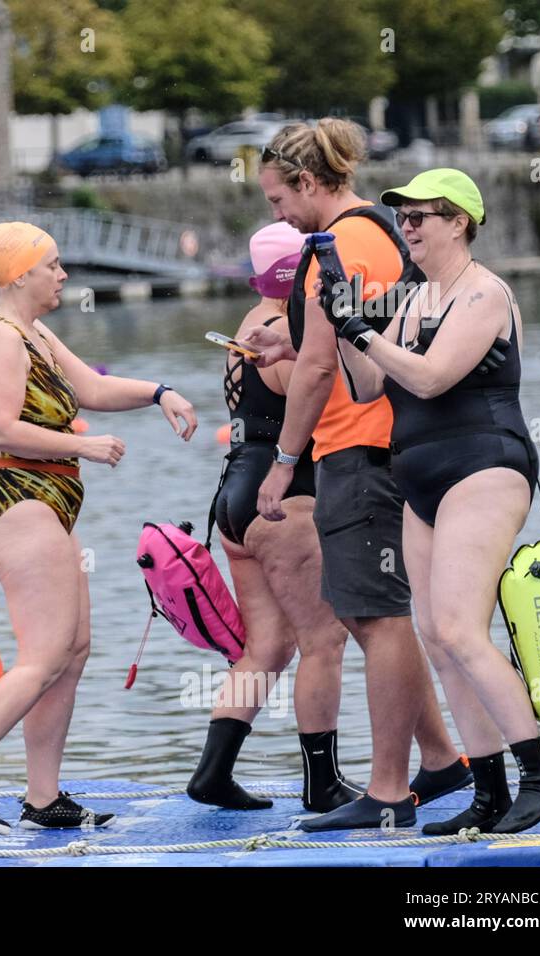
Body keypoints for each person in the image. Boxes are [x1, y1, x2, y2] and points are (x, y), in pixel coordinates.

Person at [0, 222, 198, 833]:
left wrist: (162, 392)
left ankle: (43, 796)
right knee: (44, 653)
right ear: (22, 273)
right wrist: (88, 445)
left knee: (72, 652)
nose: (64, 274)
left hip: (49, 503)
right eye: (53, 265)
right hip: (18, 501)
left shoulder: (36, 333)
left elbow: (93, 387)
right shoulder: (0, 339)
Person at [323, 168, 540, 833]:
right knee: (435, 635)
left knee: (461, 628)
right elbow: (370, 386)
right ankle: (487, 791)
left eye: (418, 217)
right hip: (421, 480)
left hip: (483, 467)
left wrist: (365, 332)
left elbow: (429, 380)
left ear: (458, 220)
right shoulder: (416, 299)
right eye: (400, 218)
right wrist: (346, 323)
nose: (406, 228)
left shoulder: (485, 293)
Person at [241, 120, 467, 831]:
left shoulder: (347, 238)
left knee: (379, 617)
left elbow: (315, 369)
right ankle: (437, 759)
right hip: (372, 444)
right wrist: (291, 333)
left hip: (365, 449)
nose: (276, 215)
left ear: (308, 183)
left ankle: (390, 789)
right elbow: (343, 335)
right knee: (374, 617)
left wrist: (282, 463)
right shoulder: (351, 241)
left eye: (279, 199)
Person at [190, 222, 363, 812]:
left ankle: (213, 773)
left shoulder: (247, 323)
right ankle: (323, 783)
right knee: (325, 639)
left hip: (236, 502)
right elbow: (316, 387)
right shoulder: (283, 331)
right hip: (280, 501)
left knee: (266, 647)